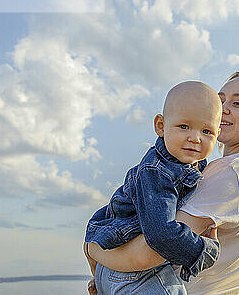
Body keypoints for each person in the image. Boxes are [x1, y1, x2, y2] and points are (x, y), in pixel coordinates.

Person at [86, 69, 239, 295]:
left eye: (238, 103)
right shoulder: (222, 170)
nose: (224, 109)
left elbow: (147, 253)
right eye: (220, 101)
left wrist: (94, 247)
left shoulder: (237, 172)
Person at [84, 81, 223, 295]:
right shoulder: (157, 172)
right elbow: (161, 233)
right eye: (184, 126)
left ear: (217, 134)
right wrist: (204, 251)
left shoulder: (184, 165)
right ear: (160, 126)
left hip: (116, 268)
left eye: (206, 131)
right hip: (136, 276)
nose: (195, 138)